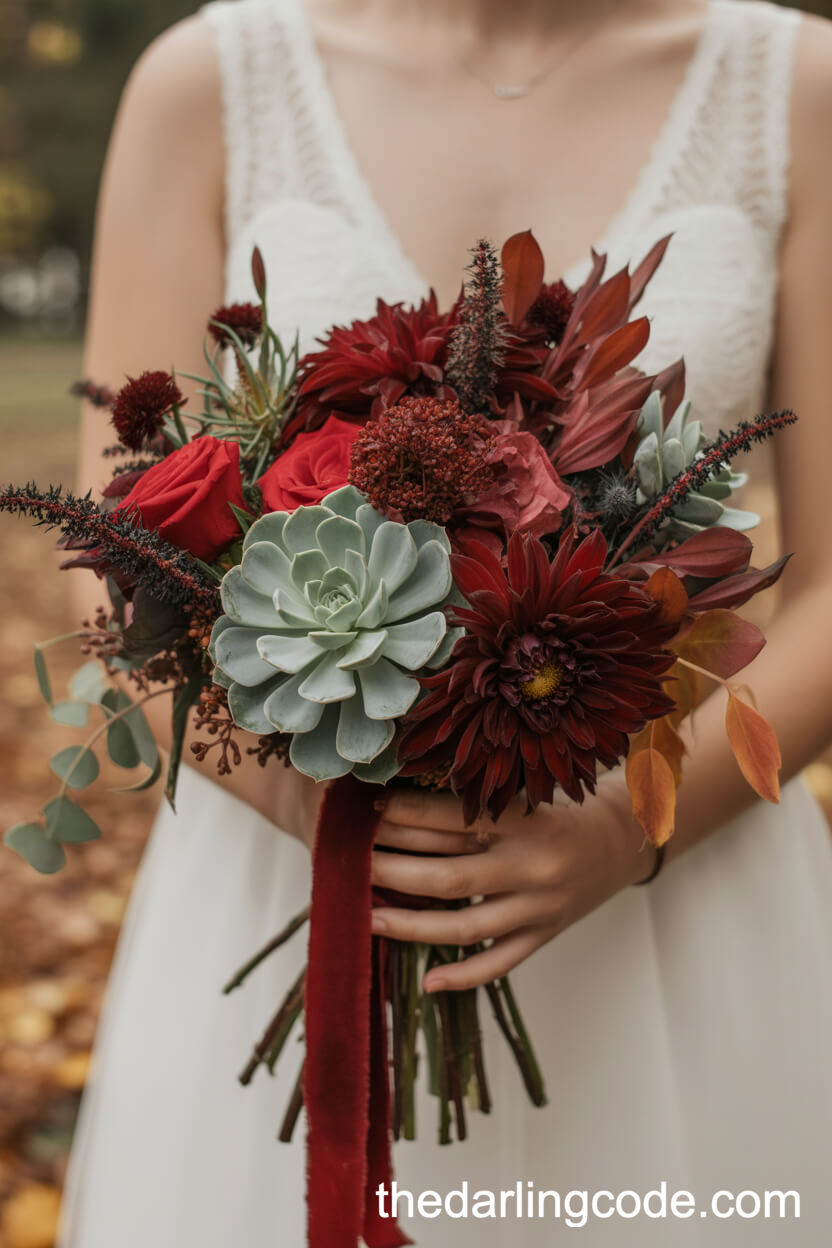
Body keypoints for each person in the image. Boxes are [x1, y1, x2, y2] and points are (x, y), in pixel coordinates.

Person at [61, 0, 832, 1244]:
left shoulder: (797, 84)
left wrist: (630, 829)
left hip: (682, 889)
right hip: (289, 879)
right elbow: (112, 553)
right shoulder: (206, 81)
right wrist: (314, 802)